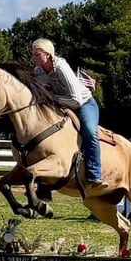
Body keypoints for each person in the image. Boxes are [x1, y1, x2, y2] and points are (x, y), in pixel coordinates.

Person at [30, 38, 108, 189]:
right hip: (62, 105)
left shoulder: (61, 67)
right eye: (33, 54)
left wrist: (52, 97)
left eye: (37, 54)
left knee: (90, 132)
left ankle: (94, 175)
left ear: (48, 54)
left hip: (84, 105)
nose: (34, 57)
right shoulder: (38, 71)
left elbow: (76, 100)